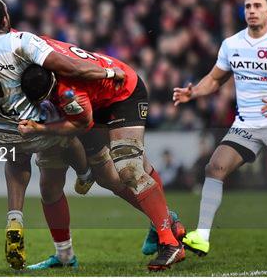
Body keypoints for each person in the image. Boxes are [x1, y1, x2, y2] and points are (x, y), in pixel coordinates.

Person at [0, 0, 125, 270]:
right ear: (5, 18)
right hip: (33, 124)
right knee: (67, 134)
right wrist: (108, 73)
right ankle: (85, 174)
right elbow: (69, 66)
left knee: (16, 163)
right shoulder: (21, 42)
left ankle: (14, 219)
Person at [16, 37, 185, 271]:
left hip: (123, 95)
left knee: (129, 167)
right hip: (99, 98)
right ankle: (165, 221)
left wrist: (40, 128)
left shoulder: (69, 91)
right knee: (109, 176)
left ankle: (169, 240)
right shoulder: (37, 46)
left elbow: (81, 125)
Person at [173, 0, 267, 256]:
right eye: (247, 7)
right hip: (246, 123)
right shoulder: (231, 44)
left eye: (257, 6)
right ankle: (202, 236)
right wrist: (194, 92)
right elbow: (215, 79)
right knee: (215, 167)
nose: (251, 10)